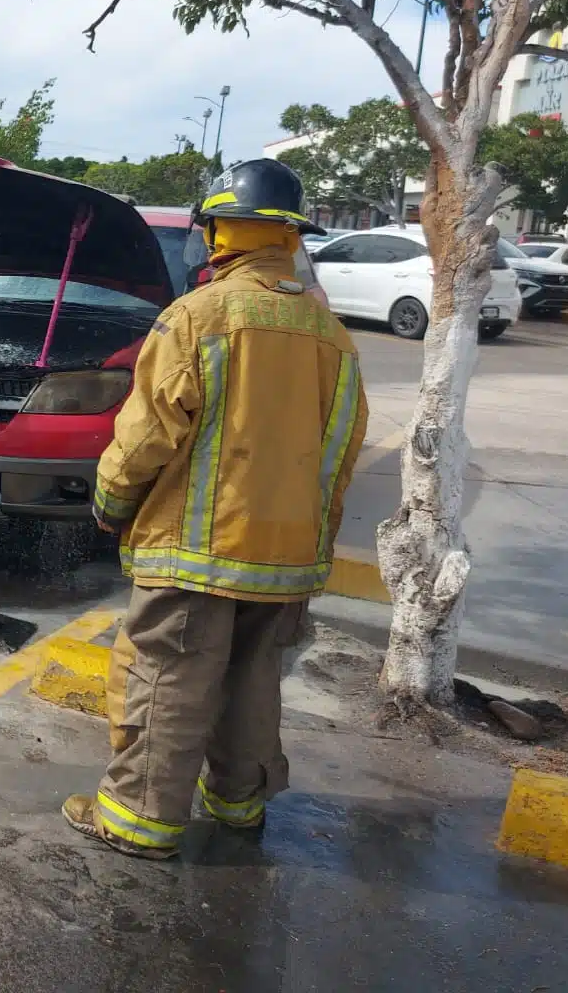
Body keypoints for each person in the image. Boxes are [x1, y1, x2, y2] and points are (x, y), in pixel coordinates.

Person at [62, 158, 368, 858]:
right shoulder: (332, 337)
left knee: (167, 679)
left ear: (223, 234)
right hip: (286, 557)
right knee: (252, 682)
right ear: (289, 237)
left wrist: (111, 499)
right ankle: (236, 803)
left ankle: (138, 819)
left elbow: (146, 433)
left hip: (196, 556)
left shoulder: (201, 316)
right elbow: (342, 450)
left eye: (209, 229)